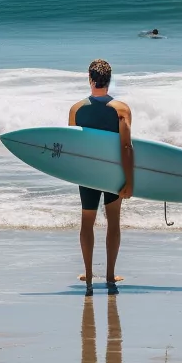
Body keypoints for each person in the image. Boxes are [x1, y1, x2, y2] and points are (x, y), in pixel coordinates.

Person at [68, 59, 134, 295]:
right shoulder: (121, 109)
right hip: (113, 173)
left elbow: (72, 147)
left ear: (89, 78)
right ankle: (109, 277)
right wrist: (129, 180)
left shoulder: (76, 110)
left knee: (87, 222)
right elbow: (126, 147)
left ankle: (88, 279)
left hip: (87, 175)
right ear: (110, 80)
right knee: (113, 222)